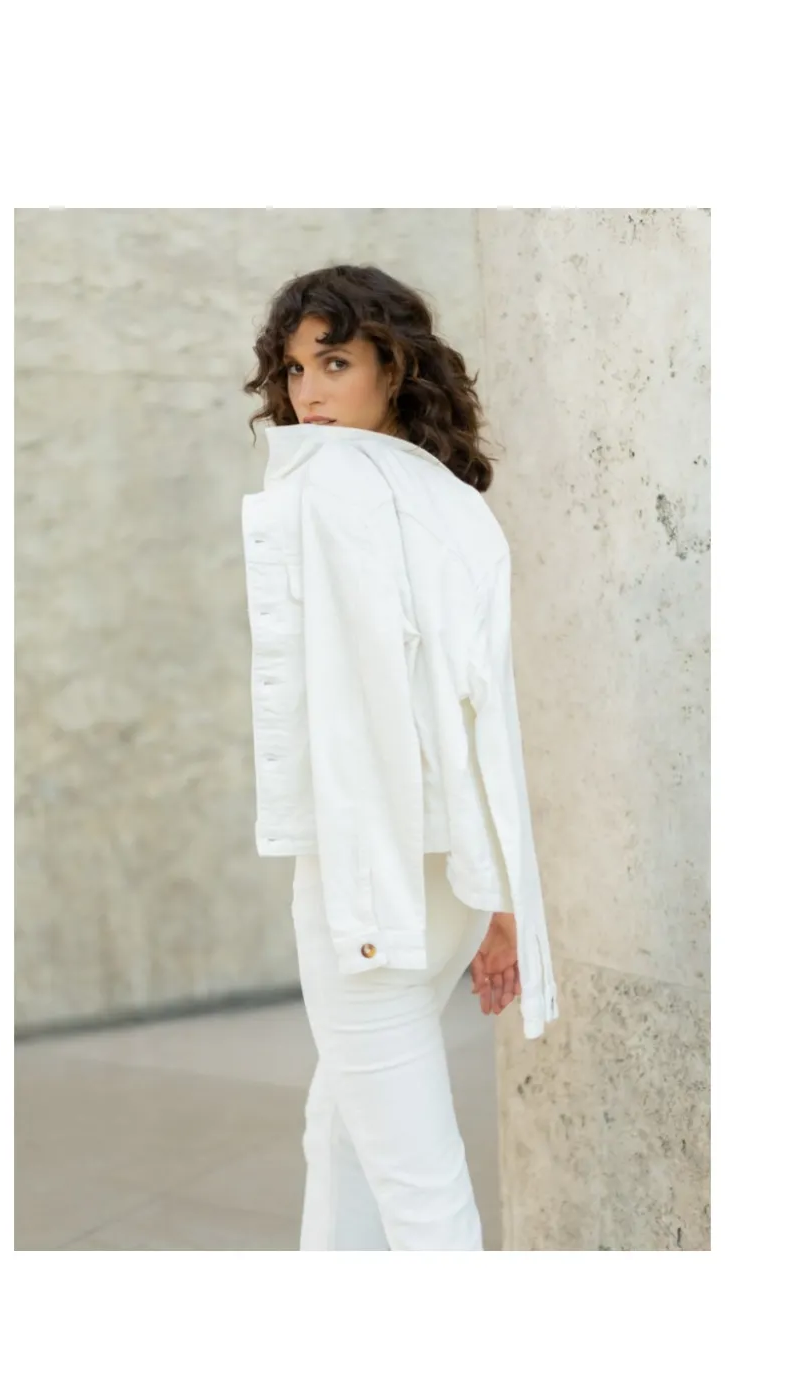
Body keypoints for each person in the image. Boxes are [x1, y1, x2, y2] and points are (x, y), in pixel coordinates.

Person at [240, 264, 558, 1250]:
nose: (308, 392)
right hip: (443, 866)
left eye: (335, 362)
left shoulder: (328, 479)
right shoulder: (450, 499)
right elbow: (480, 707)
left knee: (417, 1181)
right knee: (340, 1123)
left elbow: (359, 707)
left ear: (395, 365)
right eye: (295, 369)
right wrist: (499, 893)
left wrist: (366, 901)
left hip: (367, 866)